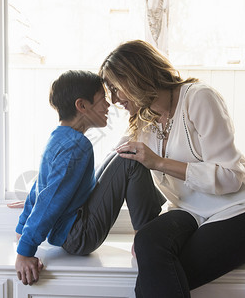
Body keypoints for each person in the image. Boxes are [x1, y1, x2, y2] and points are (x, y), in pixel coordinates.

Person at [99, 39, 245, 298]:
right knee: (146, 241)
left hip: (240, 210)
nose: (114, 100)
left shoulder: (198, 98)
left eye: (116, 88)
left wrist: (158, 163)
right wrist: (46, 197)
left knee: (161, 274)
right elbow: (110, 167)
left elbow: (231, 177)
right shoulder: (143, 120)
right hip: (189, 212)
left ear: (136, 76)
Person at [14, 70, 165, 286]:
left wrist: (21, 229)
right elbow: (48, 200)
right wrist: (25, 251)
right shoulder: (76, 146)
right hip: (78, 236)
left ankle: (149, 229)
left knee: (119, 153)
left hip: (70, 231)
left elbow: (39, 188)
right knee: (129, 159)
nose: (108, 106)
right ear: (82, 106)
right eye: (102, 99)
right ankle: (148, 240)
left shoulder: (59, 138)